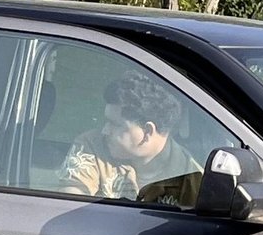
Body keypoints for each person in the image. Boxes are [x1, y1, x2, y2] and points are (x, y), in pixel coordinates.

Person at [59, 72, 201, 203]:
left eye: (114, 124)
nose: (105, 130)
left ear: (147, 132)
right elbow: (69, 206)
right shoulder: (91, 147)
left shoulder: (194, 182)